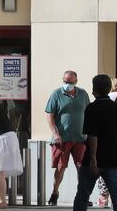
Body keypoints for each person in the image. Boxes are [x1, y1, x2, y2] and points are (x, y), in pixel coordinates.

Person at [73, 74, 117, 211]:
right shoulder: (116, 108)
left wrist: (92, 158)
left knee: (83, 194)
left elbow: (92, 135)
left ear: (94, 90)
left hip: (93, 158)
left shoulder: (91, 108)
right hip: (112, 157)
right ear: (109, 88)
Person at [45, 70, 90, 206]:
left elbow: (88, 112)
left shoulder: (82, 94)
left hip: (80, 138)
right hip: (62, 139)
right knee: (60, 168)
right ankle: (55, 192)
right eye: (65, 82)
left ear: (76, 82)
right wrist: (55, 133)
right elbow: (49, 114)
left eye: (70, 82)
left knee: (81, 168)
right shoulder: (56, 94)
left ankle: (83, 196)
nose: (67, 84)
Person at [96, 77, 117, 207]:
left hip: (102, 139)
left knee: (102, 168)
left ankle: (103, 197)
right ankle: (115, 198)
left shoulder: (100, 100)